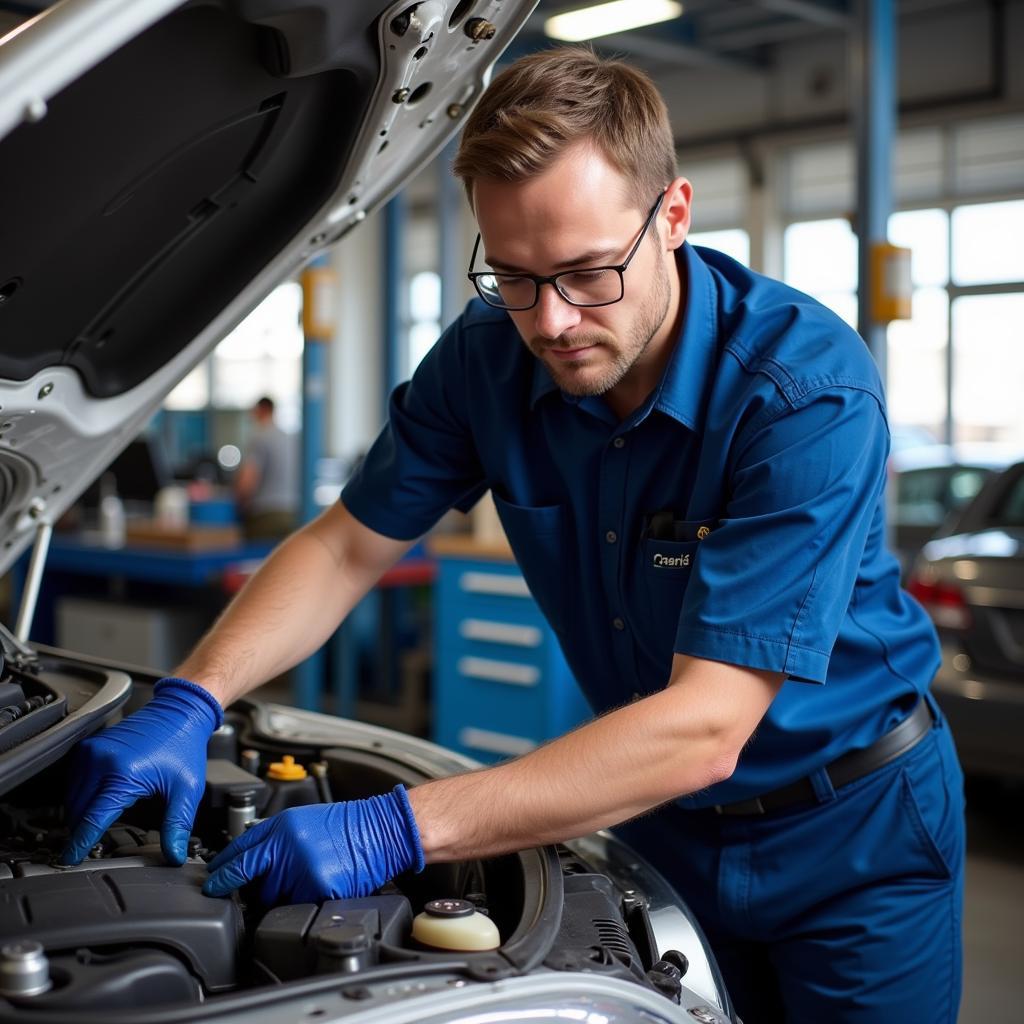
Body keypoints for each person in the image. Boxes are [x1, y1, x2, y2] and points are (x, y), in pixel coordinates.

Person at [62, 47, 964, 1023]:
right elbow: (344, 546)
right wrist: (193, 696)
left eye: (586, 273)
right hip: (655, 819)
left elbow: (706, 727)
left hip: (853, 834)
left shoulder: (803, 395)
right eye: (514, 277)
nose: (553, 320)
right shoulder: (488, 358)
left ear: (672, 215)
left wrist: (397, 828)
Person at [234, 396, 298, 540]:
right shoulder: (289, 438)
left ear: (262, 410)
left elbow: (247, 481)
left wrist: (238, 502)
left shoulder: (259, 437)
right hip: (292, 513)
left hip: (266, 515)